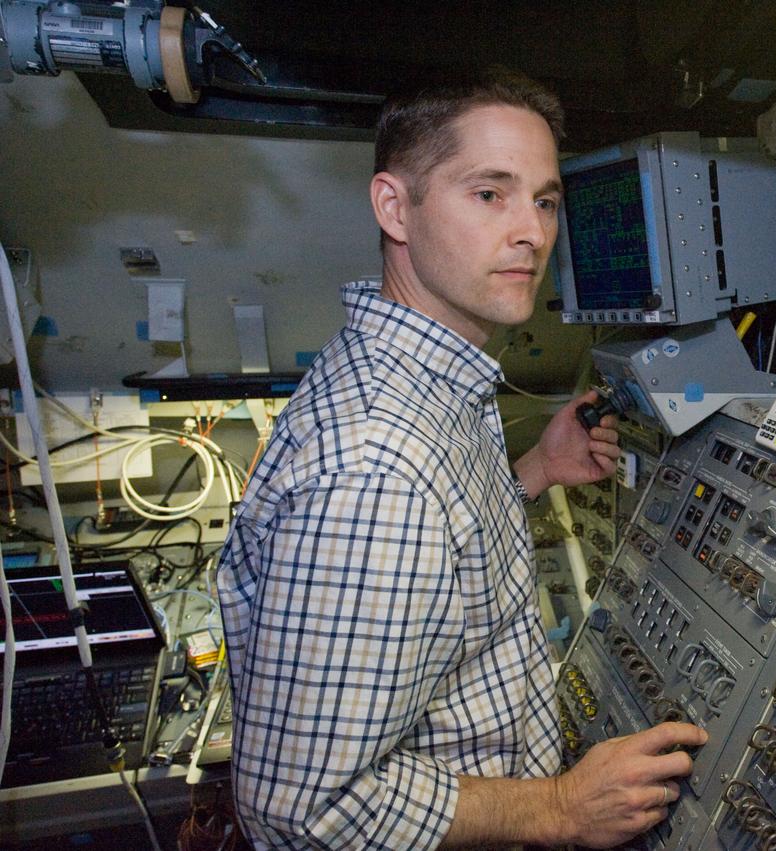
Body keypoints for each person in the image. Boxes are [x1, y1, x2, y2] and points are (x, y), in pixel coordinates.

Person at [217, 69, 707, 850]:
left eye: (545, 201)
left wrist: (535, 470)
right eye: (489, 193)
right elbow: (304, 809)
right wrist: (561, 806)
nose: (532, 232)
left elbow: (440, 552)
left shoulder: (420, 380)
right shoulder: (376, 471)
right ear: (394, 207)